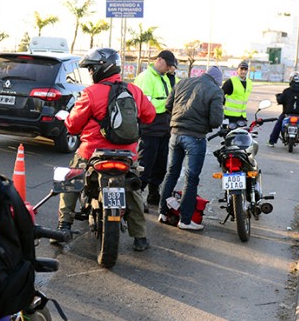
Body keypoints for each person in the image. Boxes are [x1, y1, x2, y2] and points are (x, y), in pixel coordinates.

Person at [54, 48, 156, 251]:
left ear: (103, 68)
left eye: (92, 69)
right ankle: (140, 237)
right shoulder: (134, 90)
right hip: (127, 155)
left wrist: (68, 120)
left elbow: (73, 125)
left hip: (92, 152)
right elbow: (150, 115)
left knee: (71, 177)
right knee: (132, 189)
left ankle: (63, 225)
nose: (91, 73)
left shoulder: (90, 93)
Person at [157, 66, 225, 231]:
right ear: (217, 80)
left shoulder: (183, 82)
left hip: (175, 134)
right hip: (195, 137)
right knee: (191, 178)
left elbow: (168, 105)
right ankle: (185, 220)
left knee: (171, 172)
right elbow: (216, 121)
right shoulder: (215, 91)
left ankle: (163, 213)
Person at [133, 50, 179, 211]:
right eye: (168, 65)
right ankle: (136, 196)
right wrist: (168, 105)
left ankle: (153, 193)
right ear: (159, 60)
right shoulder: (146, 77)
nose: (169, 68)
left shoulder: (165, 77)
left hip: (164, 128)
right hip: (150, 127)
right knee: (146, 164)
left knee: (160, 164)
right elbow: (146, 105)